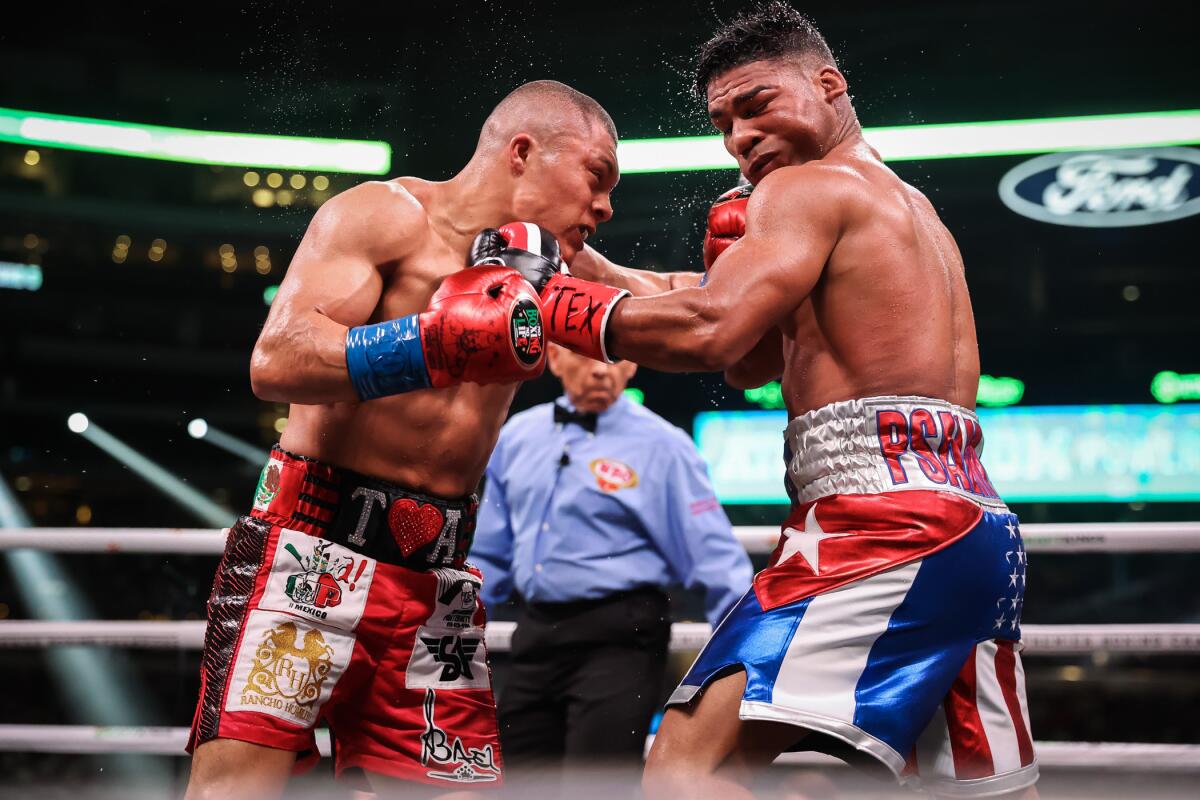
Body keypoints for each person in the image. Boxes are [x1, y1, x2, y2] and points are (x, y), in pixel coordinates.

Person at [546, 3, 1039, 798]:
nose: (739, 136)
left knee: (683, 766)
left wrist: (540, 310)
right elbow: (743, 350)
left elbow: (709, 330)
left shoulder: (804, 191)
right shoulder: (913, 210)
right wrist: (578, 265)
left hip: (879, 527)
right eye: (722, 122)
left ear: (829, 83)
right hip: (974, 532)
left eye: (757, 104)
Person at [183, 79, 621, 800]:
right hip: (310, 556)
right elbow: (276, 359)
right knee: (235, 791)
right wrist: (434, 343)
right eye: (595, 178)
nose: (604, 206)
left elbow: (677, 305)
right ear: (522, 152)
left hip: (435, 587)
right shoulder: (384, 216)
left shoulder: (551, 274)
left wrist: (763, 253)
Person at [471, 343, 752, 784]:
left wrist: (738, 658)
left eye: (614, 359)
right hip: (537, 633)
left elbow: (715, 555)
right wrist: (451, 619)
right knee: (519, 782)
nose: (601, 371)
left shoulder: (664, 446)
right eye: (584, 357)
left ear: (632, 364)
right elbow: (490, 553)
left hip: (622, 634)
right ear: (556, 360)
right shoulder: (517, 437)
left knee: (596, 786)